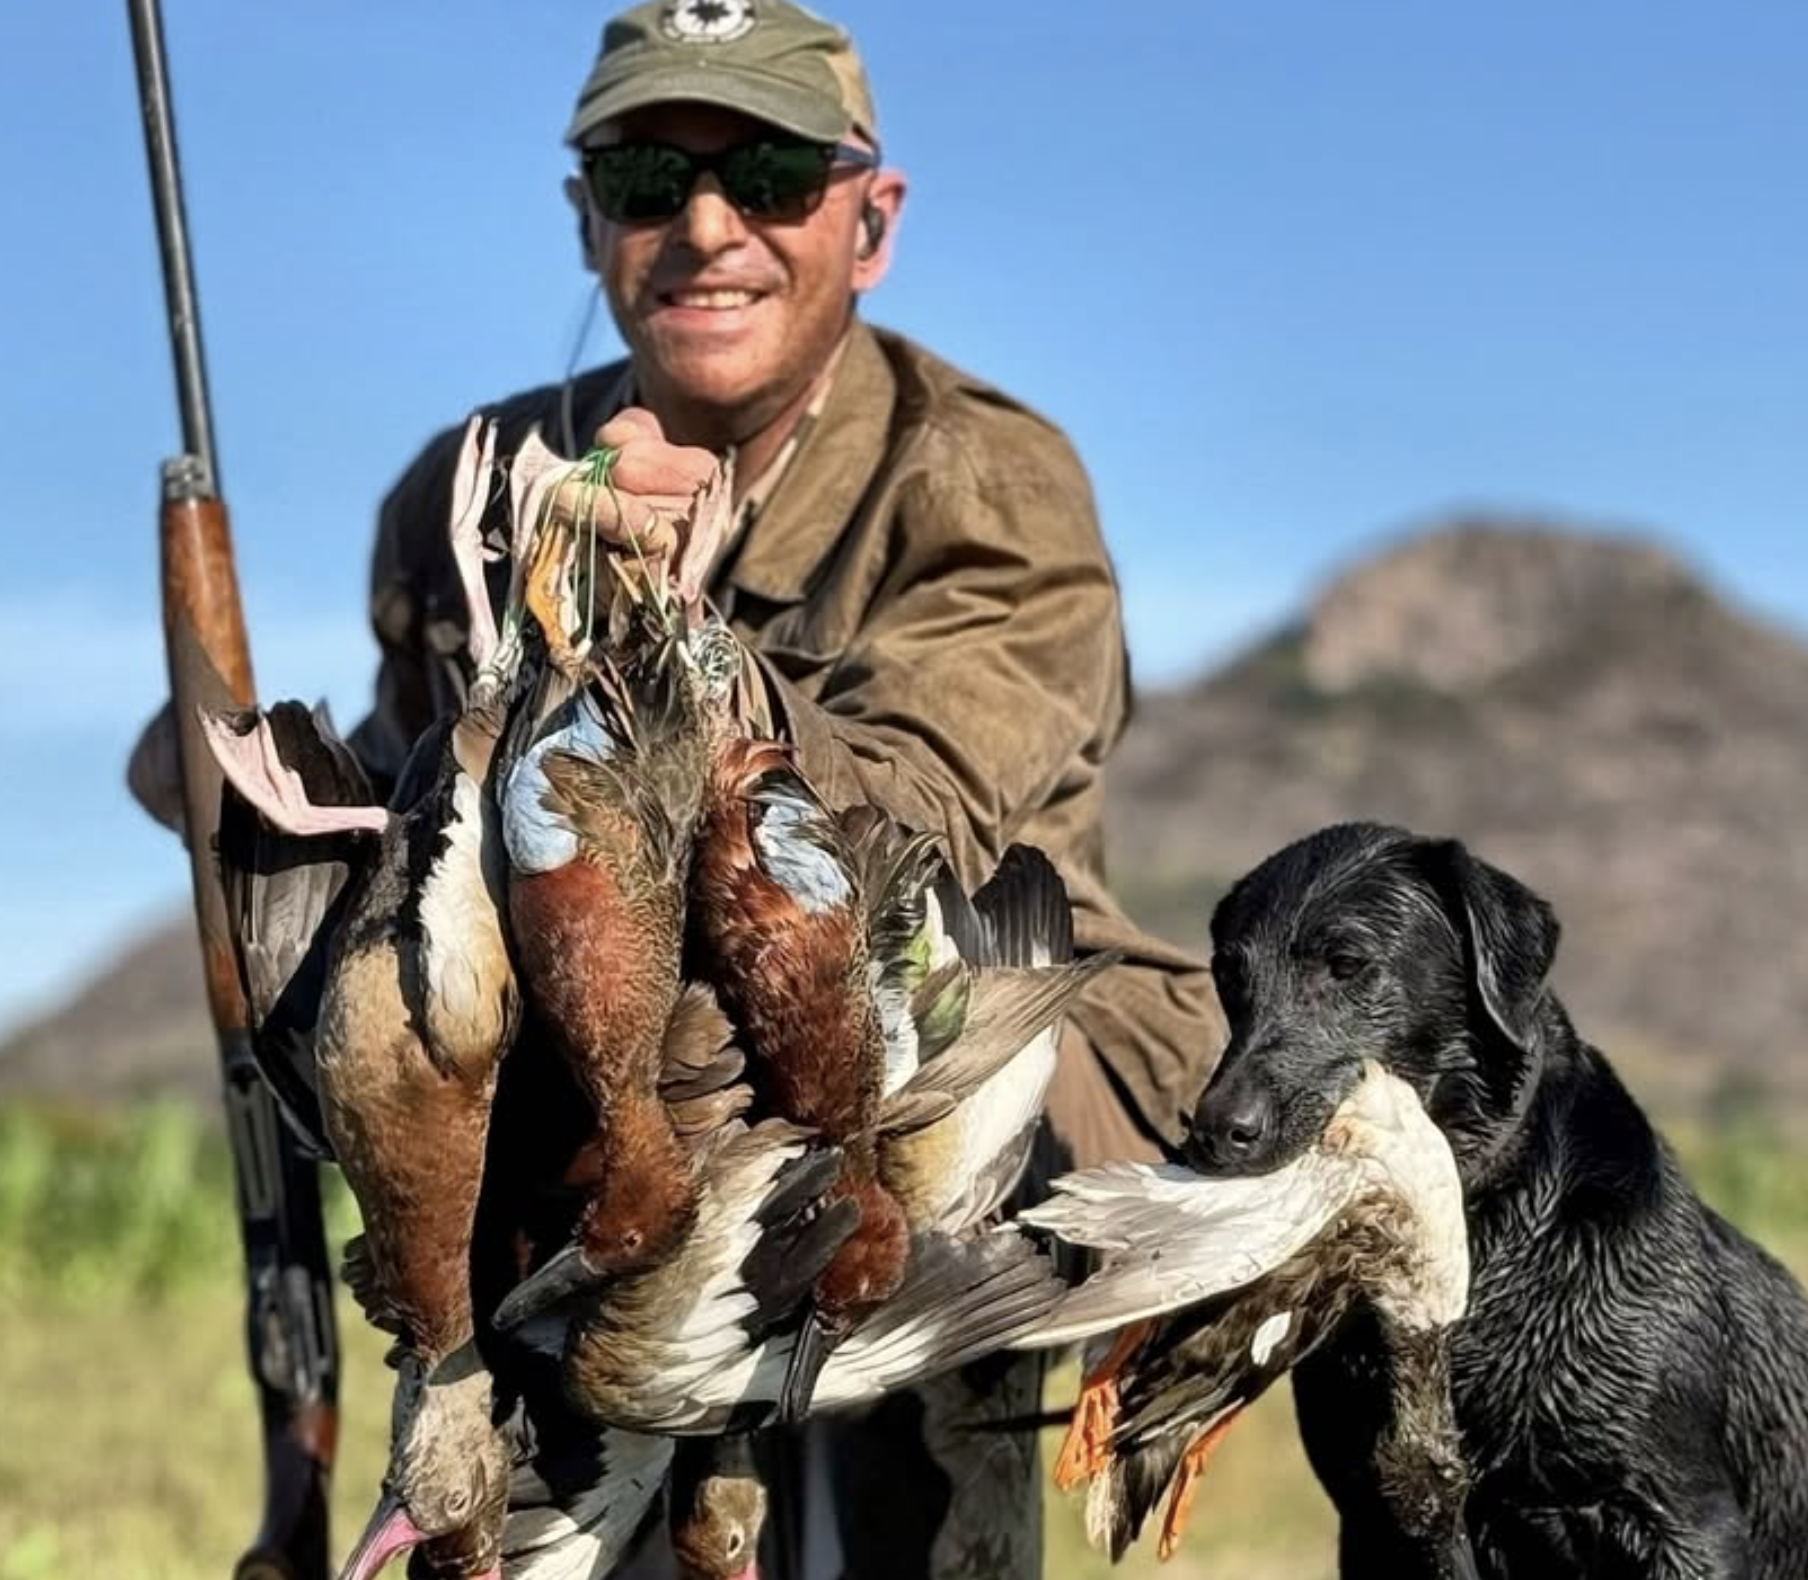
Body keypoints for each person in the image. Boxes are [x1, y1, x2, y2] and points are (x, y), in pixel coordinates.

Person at [132, 2, 1223, 1574]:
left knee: (853, 1083)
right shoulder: (460, 487)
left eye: (770, 174)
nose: (708, 227)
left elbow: (913, 823)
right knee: (456, 1066)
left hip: (958, 1028)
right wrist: (238, 784)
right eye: (651, 177)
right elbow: (415, 817)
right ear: (588, 218)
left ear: (871, 221)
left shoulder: (990, 480)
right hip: (616, 1100)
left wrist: (665, 649)